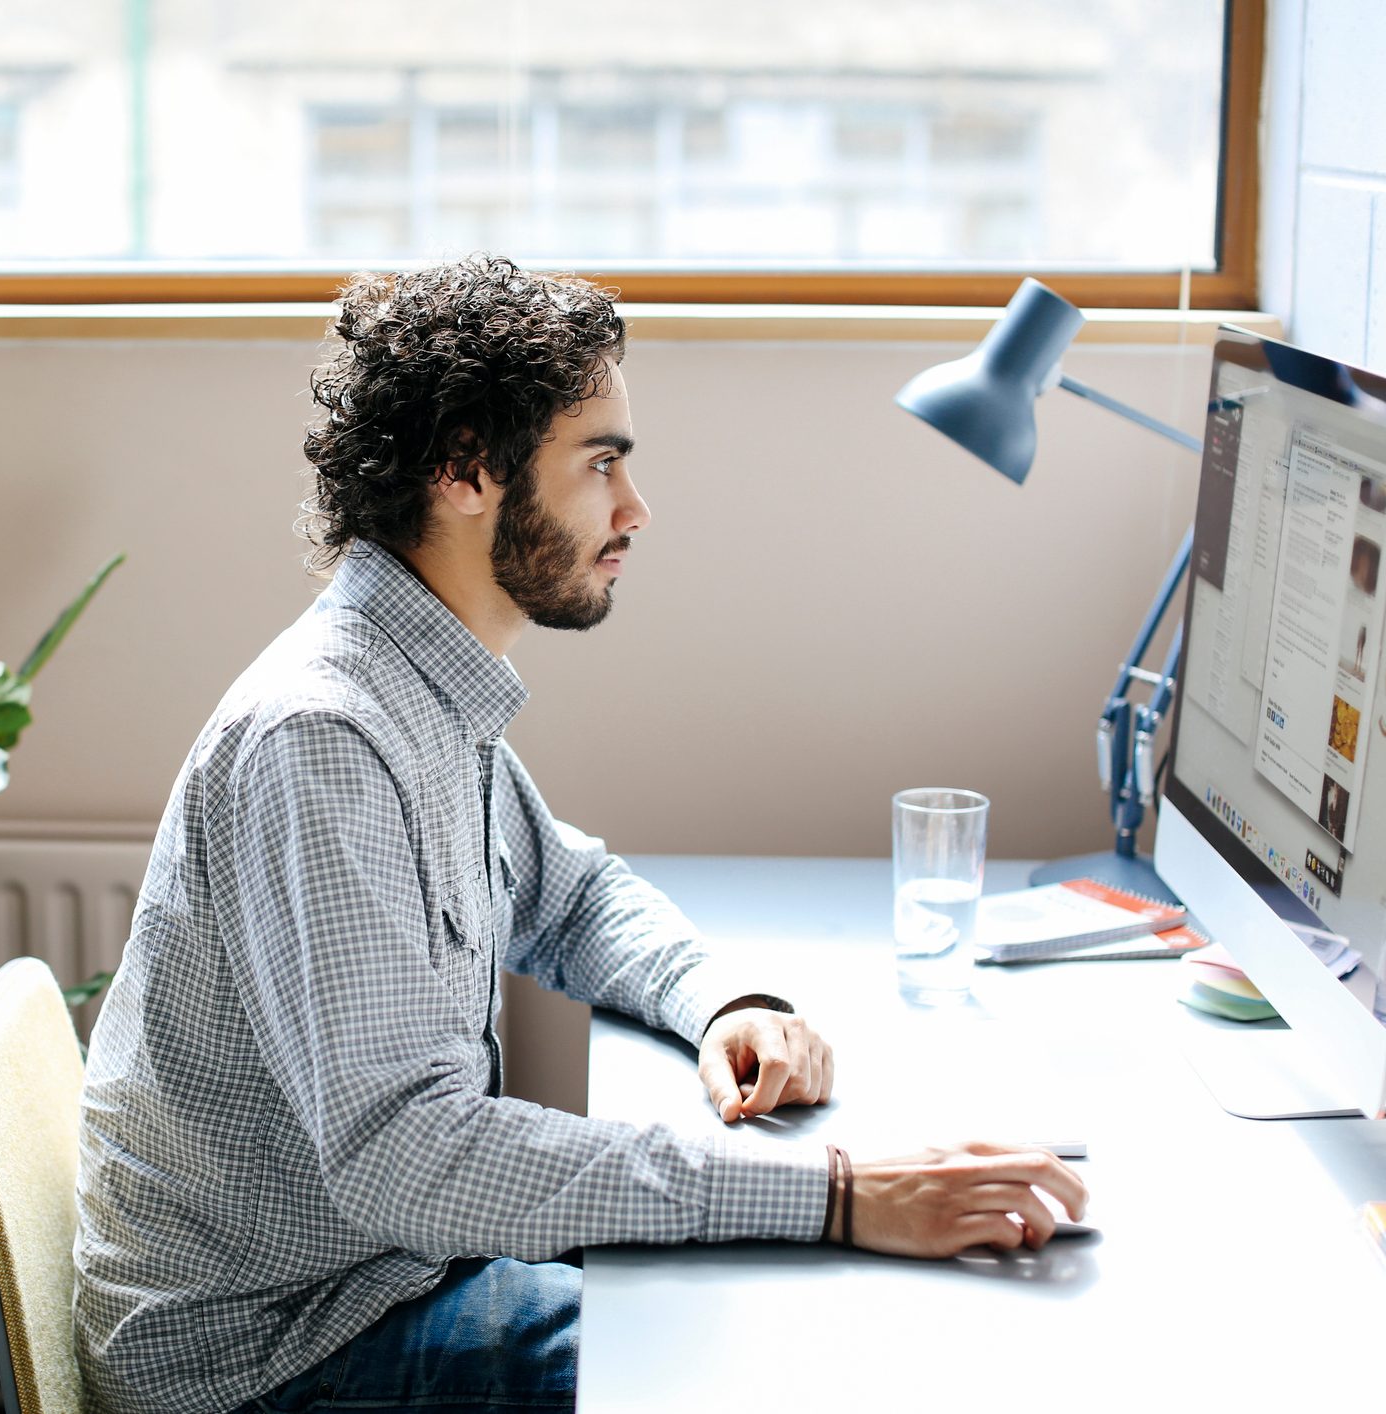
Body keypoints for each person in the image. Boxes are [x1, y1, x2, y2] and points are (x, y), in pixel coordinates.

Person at [73, 254, 1088, 1414]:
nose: (634, 508)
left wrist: (722, 1000)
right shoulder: (326, 737)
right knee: (755, 1368)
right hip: (277, 1356)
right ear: (465, 469)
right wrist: (842, 1189)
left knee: (761, 1315)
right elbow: (413, 1157)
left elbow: (567, 897)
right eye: (601, 462)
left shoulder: (422, 684)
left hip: (373, 1279)